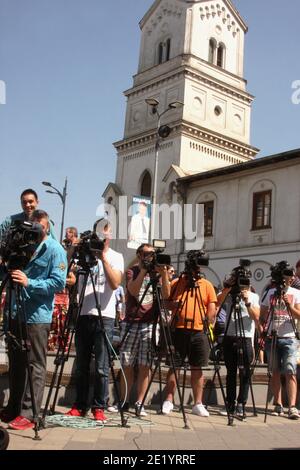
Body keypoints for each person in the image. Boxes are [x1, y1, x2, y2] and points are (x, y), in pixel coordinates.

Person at [0, 210, 67, 430]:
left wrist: (30, 282)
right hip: (14, 312)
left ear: (47, 227)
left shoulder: (55, 250)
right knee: (16, 363)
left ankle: (30, 414)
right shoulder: (22, 247)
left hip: (37, 316)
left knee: (35, 364)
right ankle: (14, 408)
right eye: (32, 226)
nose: (35, 230)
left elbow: (58, 283)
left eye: (40, 226)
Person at [66, 222, 124, 422]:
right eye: (99, 233)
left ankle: (99, 406)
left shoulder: (116, 256)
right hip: (83, 313)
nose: (102, 236)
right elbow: (67, 270)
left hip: (105, 316)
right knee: (82, 364)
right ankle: (80, 404)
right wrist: (74, 248)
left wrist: (103, 257)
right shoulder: (84, 252)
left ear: (110, 235)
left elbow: (115, 283)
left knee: (101, 365)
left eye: (105, 233)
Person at [161, 256, 217, 417]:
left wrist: (209, 319)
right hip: (179, 329)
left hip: (199, 331)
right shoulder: (178, 282)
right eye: (195, 267)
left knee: (197, 367)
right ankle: (169, 399)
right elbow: (166, 301)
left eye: (199, 268)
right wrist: (175, 305)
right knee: (174, 366)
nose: (197, 270)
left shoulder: (206, 284)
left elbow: (211, 306)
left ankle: (198, 403)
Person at [119, 243, 169, 416]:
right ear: (139, 255)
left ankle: (140, 402)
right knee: (126, 364)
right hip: (132, 322)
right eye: (147, 253)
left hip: (149, 323)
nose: (150, 257)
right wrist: (143, 270)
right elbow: (133, 290)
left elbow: (166, 295)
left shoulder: (157, 273)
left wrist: (163, 274)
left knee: (144, 365)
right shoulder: (132, 270)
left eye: (153, 254)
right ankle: (124, 400)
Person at [217, 278, 260, 418]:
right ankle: (230, 404)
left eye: (244, 283)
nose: (241, 286)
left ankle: (241, 403)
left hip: (245, 337)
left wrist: (247, 302)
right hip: (230, 336)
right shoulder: (230, 295)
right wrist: (228, 286)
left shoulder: (254, 296)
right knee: (231, 372)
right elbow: (217, 301)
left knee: (245, 373)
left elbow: (256, 316)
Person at [260, 268, 300, 419]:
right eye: (284, 275)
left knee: (290, 371)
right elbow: (262, 315)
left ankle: (292, 407)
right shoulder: (270, 293)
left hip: (289, 337)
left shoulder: (296, 293)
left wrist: (289, 306)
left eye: (289, 276)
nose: (286, 279)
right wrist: (264, 325)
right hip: (272, 337)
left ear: (292, 278)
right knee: (274, 371)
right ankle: (278, 404)